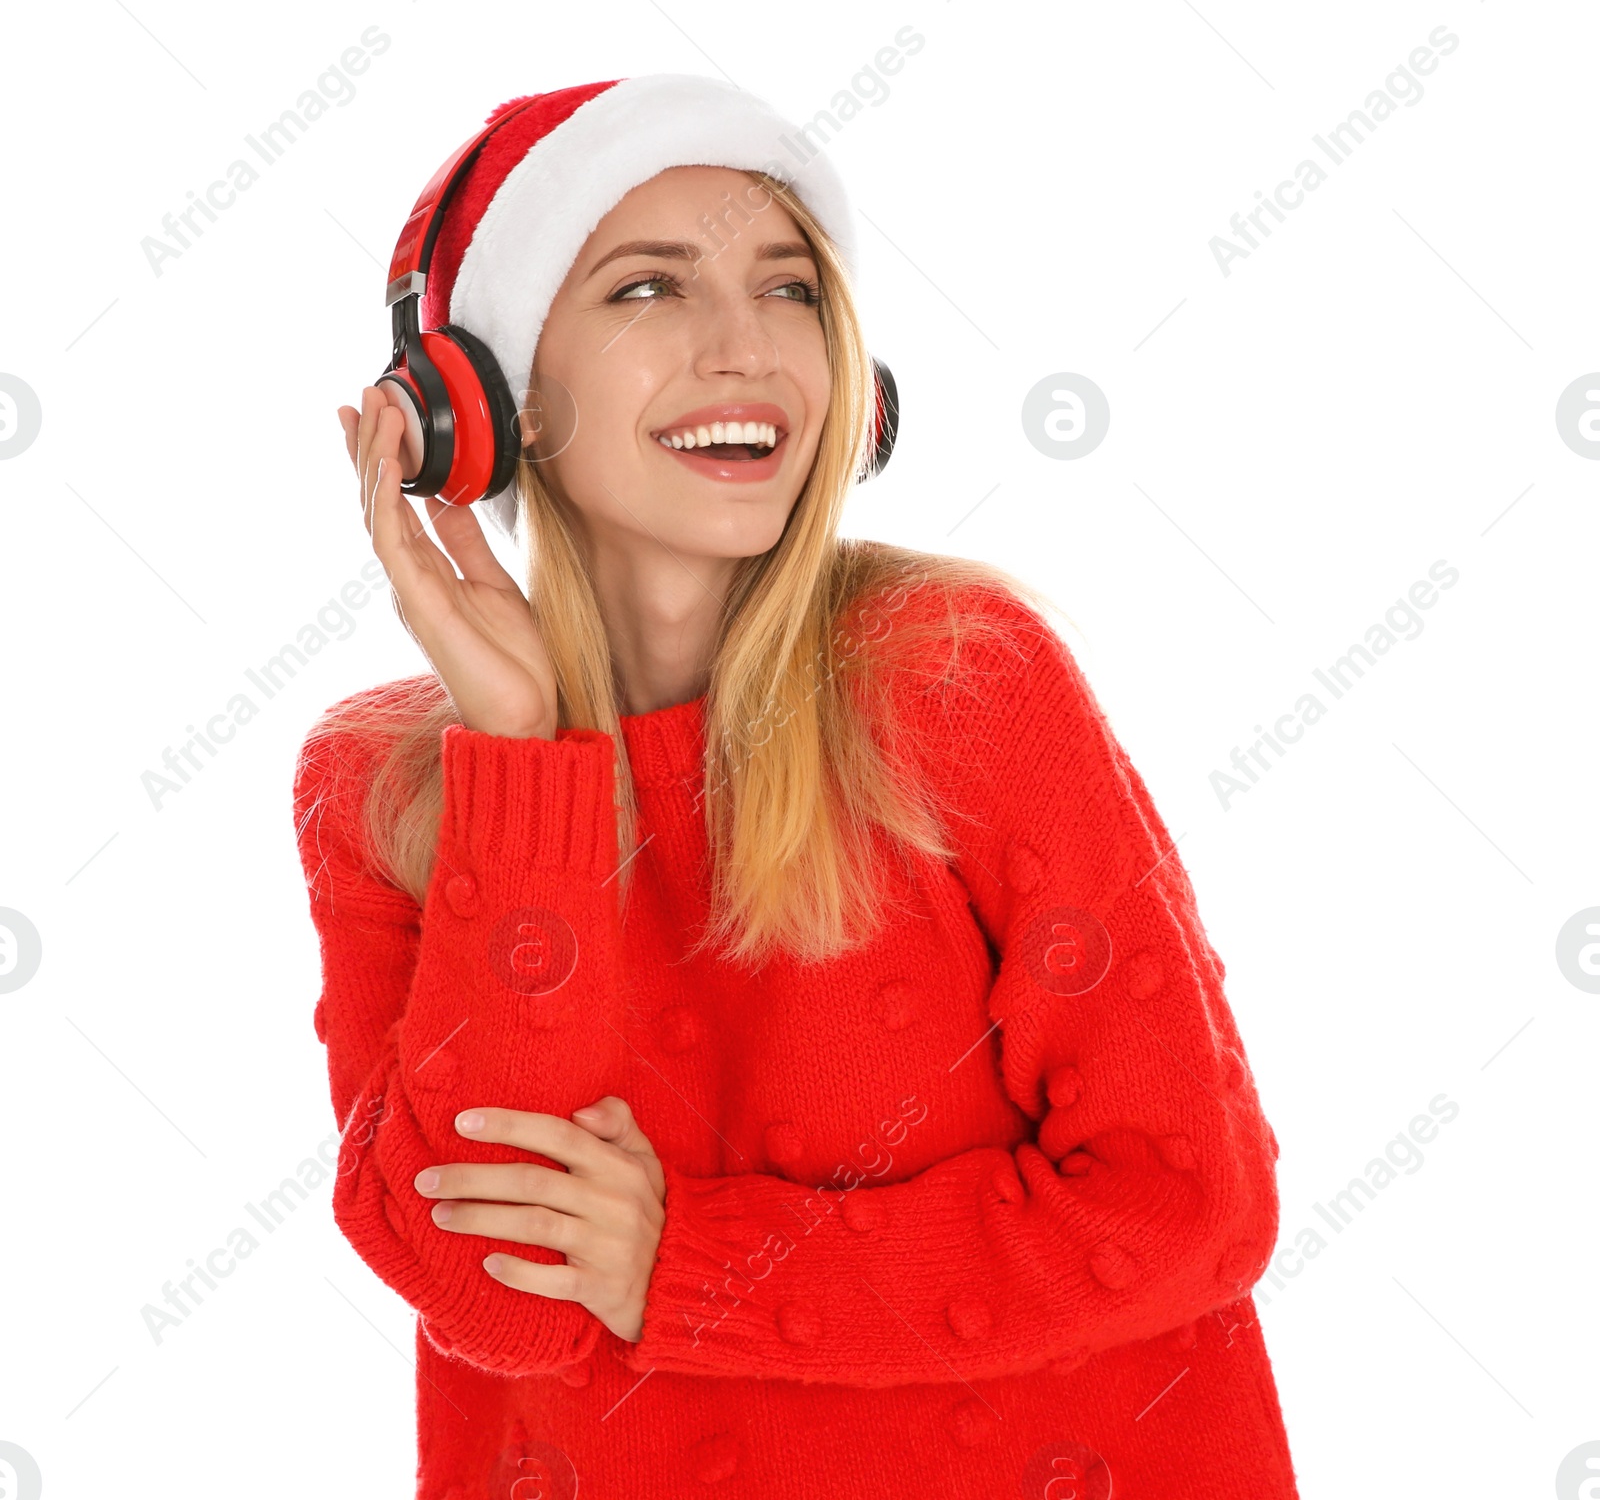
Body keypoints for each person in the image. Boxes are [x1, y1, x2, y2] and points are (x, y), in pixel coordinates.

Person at [291, 75, 1301, 1498]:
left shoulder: (960, 683)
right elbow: (499, 1300)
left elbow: (1188, 1210)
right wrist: (522, 759)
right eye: (647, 290)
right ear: (481, 401)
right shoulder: (387, 786)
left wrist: (685, 1267)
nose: (742, 350)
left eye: (789, 293)